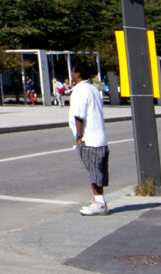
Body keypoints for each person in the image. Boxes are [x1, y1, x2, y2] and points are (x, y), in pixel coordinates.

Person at [66, 57, 112, 216]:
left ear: (78, 73)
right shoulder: (93, 89)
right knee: (98, 172)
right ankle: (99, 201)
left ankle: (100, 203)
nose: (71, 74)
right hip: (101, 138)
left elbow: (79, 115)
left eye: (73, 71)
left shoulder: (79, 90)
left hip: (89, 139)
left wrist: (79, 136)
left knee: (94, 173)